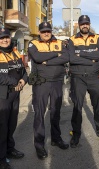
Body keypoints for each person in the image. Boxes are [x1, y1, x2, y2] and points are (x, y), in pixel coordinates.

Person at [28, 22, 69, 159]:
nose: (46, 33)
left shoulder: (60, 43)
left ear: (51, 31)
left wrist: (48, 61)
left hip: (57, 82)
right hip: (41, 83)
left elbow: (66, 57)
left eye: (48, 31)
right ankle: (39, 146)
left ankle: (56, 139)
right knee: (39, 114)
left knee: (56, 112)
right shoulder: (33, 44)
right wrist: (56, 55)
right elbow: (37, 58)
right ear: (39, 32)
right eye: (43, 31)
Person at [68, 15, 99, 148]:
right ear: (79, 25)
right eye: (82, 24)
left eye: (87, 23)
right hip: (78, 77)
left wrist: (80, 54)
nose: (84, 26)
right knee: (77, 107)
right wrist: (90, 58)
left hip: (94, 76)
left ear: (89, 24)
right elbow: (71, 58)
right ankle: (76, 135)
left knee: (98, 105)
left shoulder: (97, 37)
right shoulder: (72, 39)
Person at [0, 28, 27, 169]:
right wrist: (14, 82)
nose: (5, 40)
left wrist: (23, 81)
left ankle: (10, 149)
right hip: (2, 96)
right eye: (1, 38)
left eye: (6, 37)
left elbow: (23, 71)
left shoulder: (15, 52)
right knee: (2, 127)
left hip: (15, 95)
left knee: (11, 125)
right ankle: (1, 158)